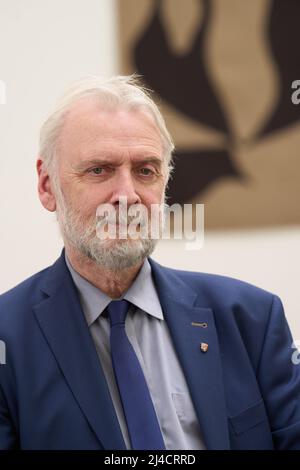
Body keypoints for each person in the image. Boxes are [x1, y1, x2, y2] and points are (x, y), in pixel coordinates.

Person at [0, 75, 299, 450]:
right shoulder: (8, 339)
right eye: (99, 170)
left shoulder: (251, 319)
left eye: (145, 171)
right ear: (47, 186)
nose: (127, 196)